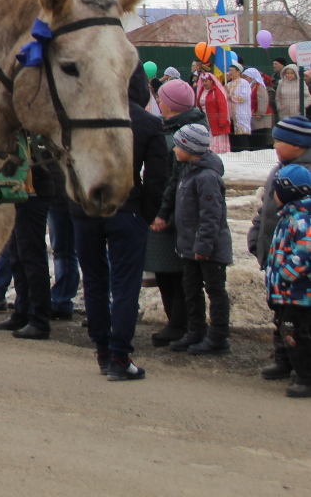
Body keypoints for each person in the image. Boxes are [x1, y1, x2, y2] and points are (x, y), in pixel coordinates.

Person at [72, 65, 171, 380]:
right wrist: (148, 213)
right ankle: (119, 356)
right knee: (125, 285)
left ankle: (103, 350)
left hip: (86, 208)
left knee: (95, 281)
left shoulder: (82, 117)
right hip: (127, 209)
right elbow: (157, 178)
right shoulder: (149, 123)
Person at [249, 115, 311, 381]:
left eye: (279, 141)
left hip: (296, 268)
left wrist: (289, 269)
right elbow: (267, 207)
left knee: (297, 320)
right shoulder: (280, 168)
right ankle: (283, 359)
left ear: (298, 145)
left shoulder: (302, 173)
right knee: (279, 314)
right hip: (275, 254)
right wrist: (256, 233)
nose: (274, 145)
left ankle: (302, 366)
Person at [148, 78, 208, 346]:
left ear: (171, 105)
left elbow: (174, 180)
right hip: (165, 211)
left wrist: (164, 213)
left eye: (161, 99)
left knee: (175, 271)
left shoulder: (181, 136)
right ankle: (176, 322)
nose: (158, 103)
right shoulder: (171, 129)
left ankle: (179, 323)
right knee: (166, 269)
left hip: (172, 214)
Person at [169, 123, 233, 354]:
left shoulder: (206, 177)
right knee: (191, 289)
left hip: (209, 249)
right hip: (189, 247)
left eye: (178, 145)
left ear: (191, 148)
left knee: (214, 291)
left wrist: (203, 245)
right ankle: (195, 331)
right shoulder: (187, 172)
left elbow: (211, 215)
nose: (174, 149)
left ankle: (218, 337)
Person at [0, 145, 62, 340]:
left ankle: (39, 320)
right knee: (17, 256)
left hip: (35, 192)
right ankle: (22, 313)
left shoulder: (36, 132)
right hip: (18, 192)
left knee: (31, 256)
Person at [263, 163, 311, 398]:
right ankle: (286, 363)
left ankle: (306, 377)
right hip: (285, 292)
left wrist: (285, 276)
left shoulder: (302, 219)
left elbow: (304, 253)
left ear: (286, 192)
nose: (272, 196)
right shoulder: (289, 216)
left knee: (298, 335)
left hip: (298, 292)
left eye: (275, 191)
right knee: (283, 329)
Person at [193, 62, 232, 154]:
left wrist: (222, 121)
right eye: (203, 81)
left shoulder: (217, 92)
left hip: (216, 122)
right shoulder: (201, 91)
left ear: (211, 81)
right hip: (205, 121)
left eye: (206, 81)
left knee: (215, 140)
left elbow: (223, 107)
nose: (204, 83)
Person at [225, 63, 253, 152]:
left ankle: (245, 153)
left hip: (241, 113)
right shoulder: (228, 84)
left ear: (238, 72)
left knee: (242, 136)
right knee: (233, 136)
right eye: (229, 71)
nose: (230, 73)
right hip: (231, 115)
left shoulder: (244, 83)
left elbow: (244, 97)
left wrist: (231, 97)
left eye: (232, 71)